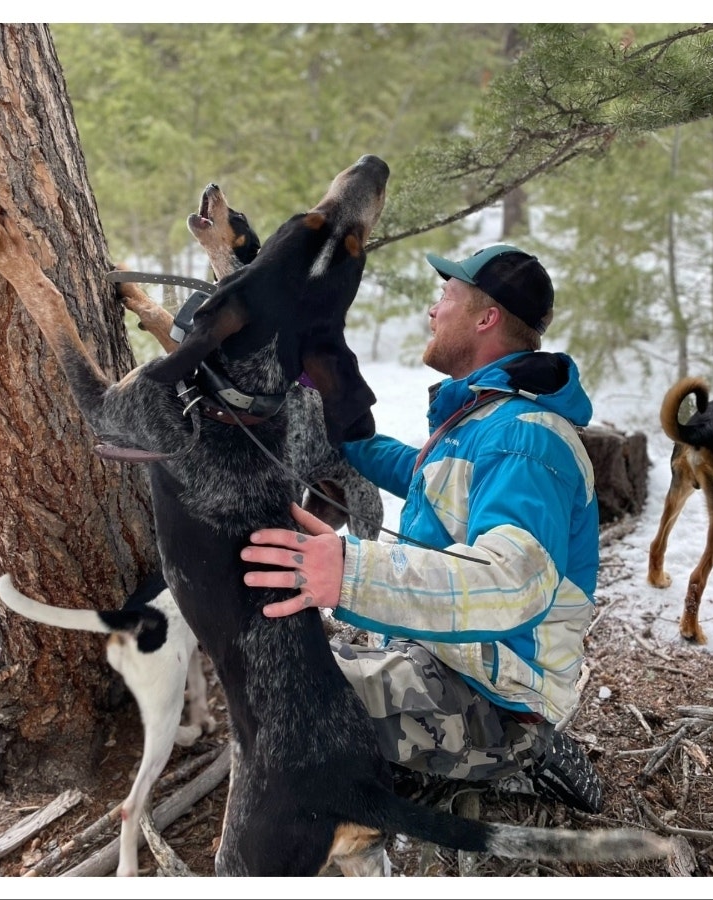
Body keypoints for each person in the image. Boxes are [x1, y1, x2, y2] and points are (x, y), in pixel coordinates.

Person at [240, 244, 606, 813]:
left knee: (287, 697)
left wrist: (348, 570)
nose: (432, 312)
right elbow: (427, 478)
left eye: (445, 298)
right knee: (277, 665)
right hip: (447, 657)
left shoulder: (527, 439)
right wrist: (351, 434)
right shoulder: (485, 419)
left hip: (498, 696)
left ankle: (527, 752)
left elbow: (511, 583)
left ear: (485, 319)